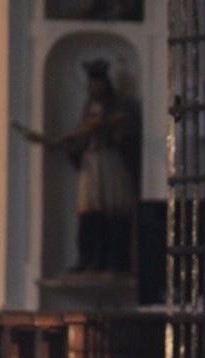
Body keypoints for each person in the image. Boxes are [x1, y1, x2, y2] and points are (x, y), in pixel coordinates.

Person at [16, 58, 138, 272]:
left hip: (110, 162)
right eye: (91, 84)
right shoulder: (89, 106)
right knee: (89, 212)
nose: (94, 88)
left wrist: (104, 128)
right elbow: (82, 134)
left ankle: (113, 260)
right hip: (91, 163)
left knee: (113, 212)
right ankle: (87, 258)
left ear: (105, 84)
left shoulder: (118, 106)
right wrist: (70, 147)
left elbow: (124, 133)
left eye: (97, 83)